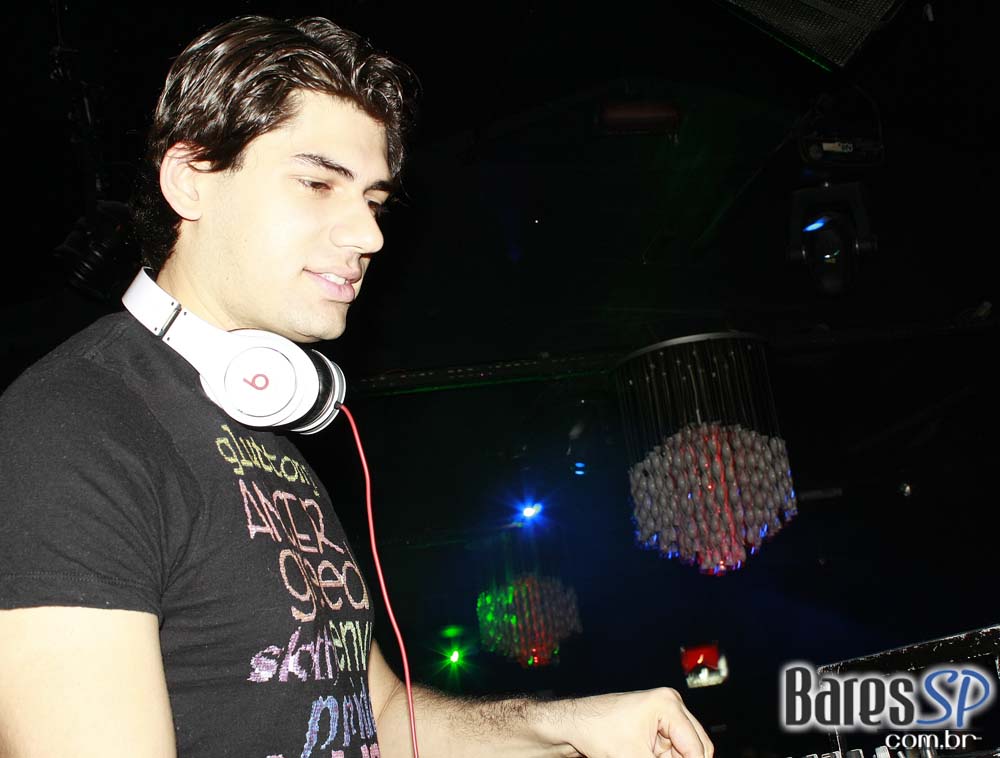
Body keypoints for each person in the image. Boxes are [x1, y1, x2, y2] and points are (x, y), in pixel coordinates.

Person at [0, 15, 714, 758]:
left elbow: (376, 711)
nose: (369, 236)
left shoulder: (272, 443)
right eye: (317, 183)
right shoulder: (71, 428)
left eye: (373, 201)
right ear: (190, 179)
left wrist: (561, 726)